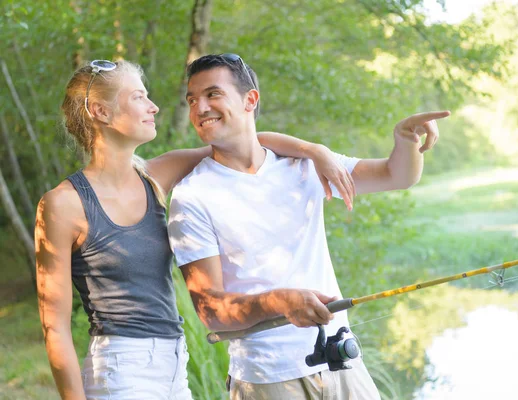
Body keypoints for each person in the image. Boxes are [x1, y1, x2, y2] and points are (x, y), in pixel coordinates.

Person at [34, 59, 356, 400]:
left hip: (175, 364)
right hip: (119, 368)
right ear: (101, 112)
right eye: (139, 97)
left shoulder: (154, 176)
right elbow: (55, 327)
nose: (153, 106)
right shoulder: (62, 204)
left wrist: (315, 151)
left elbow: (245, 138)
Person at [167, 53, 450, 399]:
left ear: (250, 100)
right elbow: (210, 309)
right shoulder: (191, 196)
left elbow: (398, 175)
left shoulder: (305, 166)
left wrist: (406, 140)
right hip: (267, 379)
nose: (200, 108)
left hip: (342, 361)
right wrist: (278, 301)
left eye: (213, 94)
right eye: (192, 100)